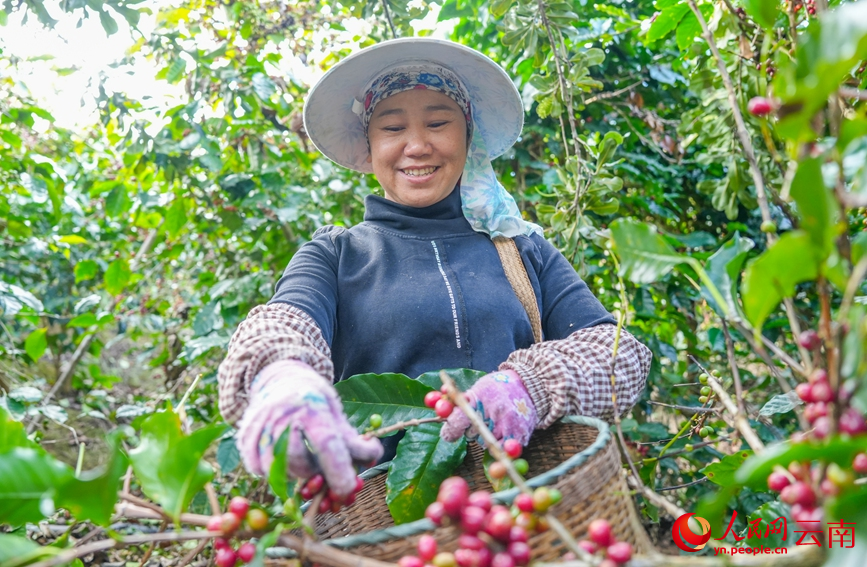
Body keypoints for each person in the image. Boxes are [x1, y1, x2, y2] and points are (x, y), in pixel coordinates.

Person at [217, 38, 651, 498]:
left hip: (528, 506)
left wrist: (532, 385)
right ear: (370, 146)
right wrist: (281, 375)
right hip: (379, 519)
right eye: (392, 127)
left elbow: (620, 353)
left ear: (468, 135)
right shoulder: (337, 254)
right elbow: (285, 321)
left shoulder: (522, 249)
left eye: (438, 123)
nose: (417, 145)